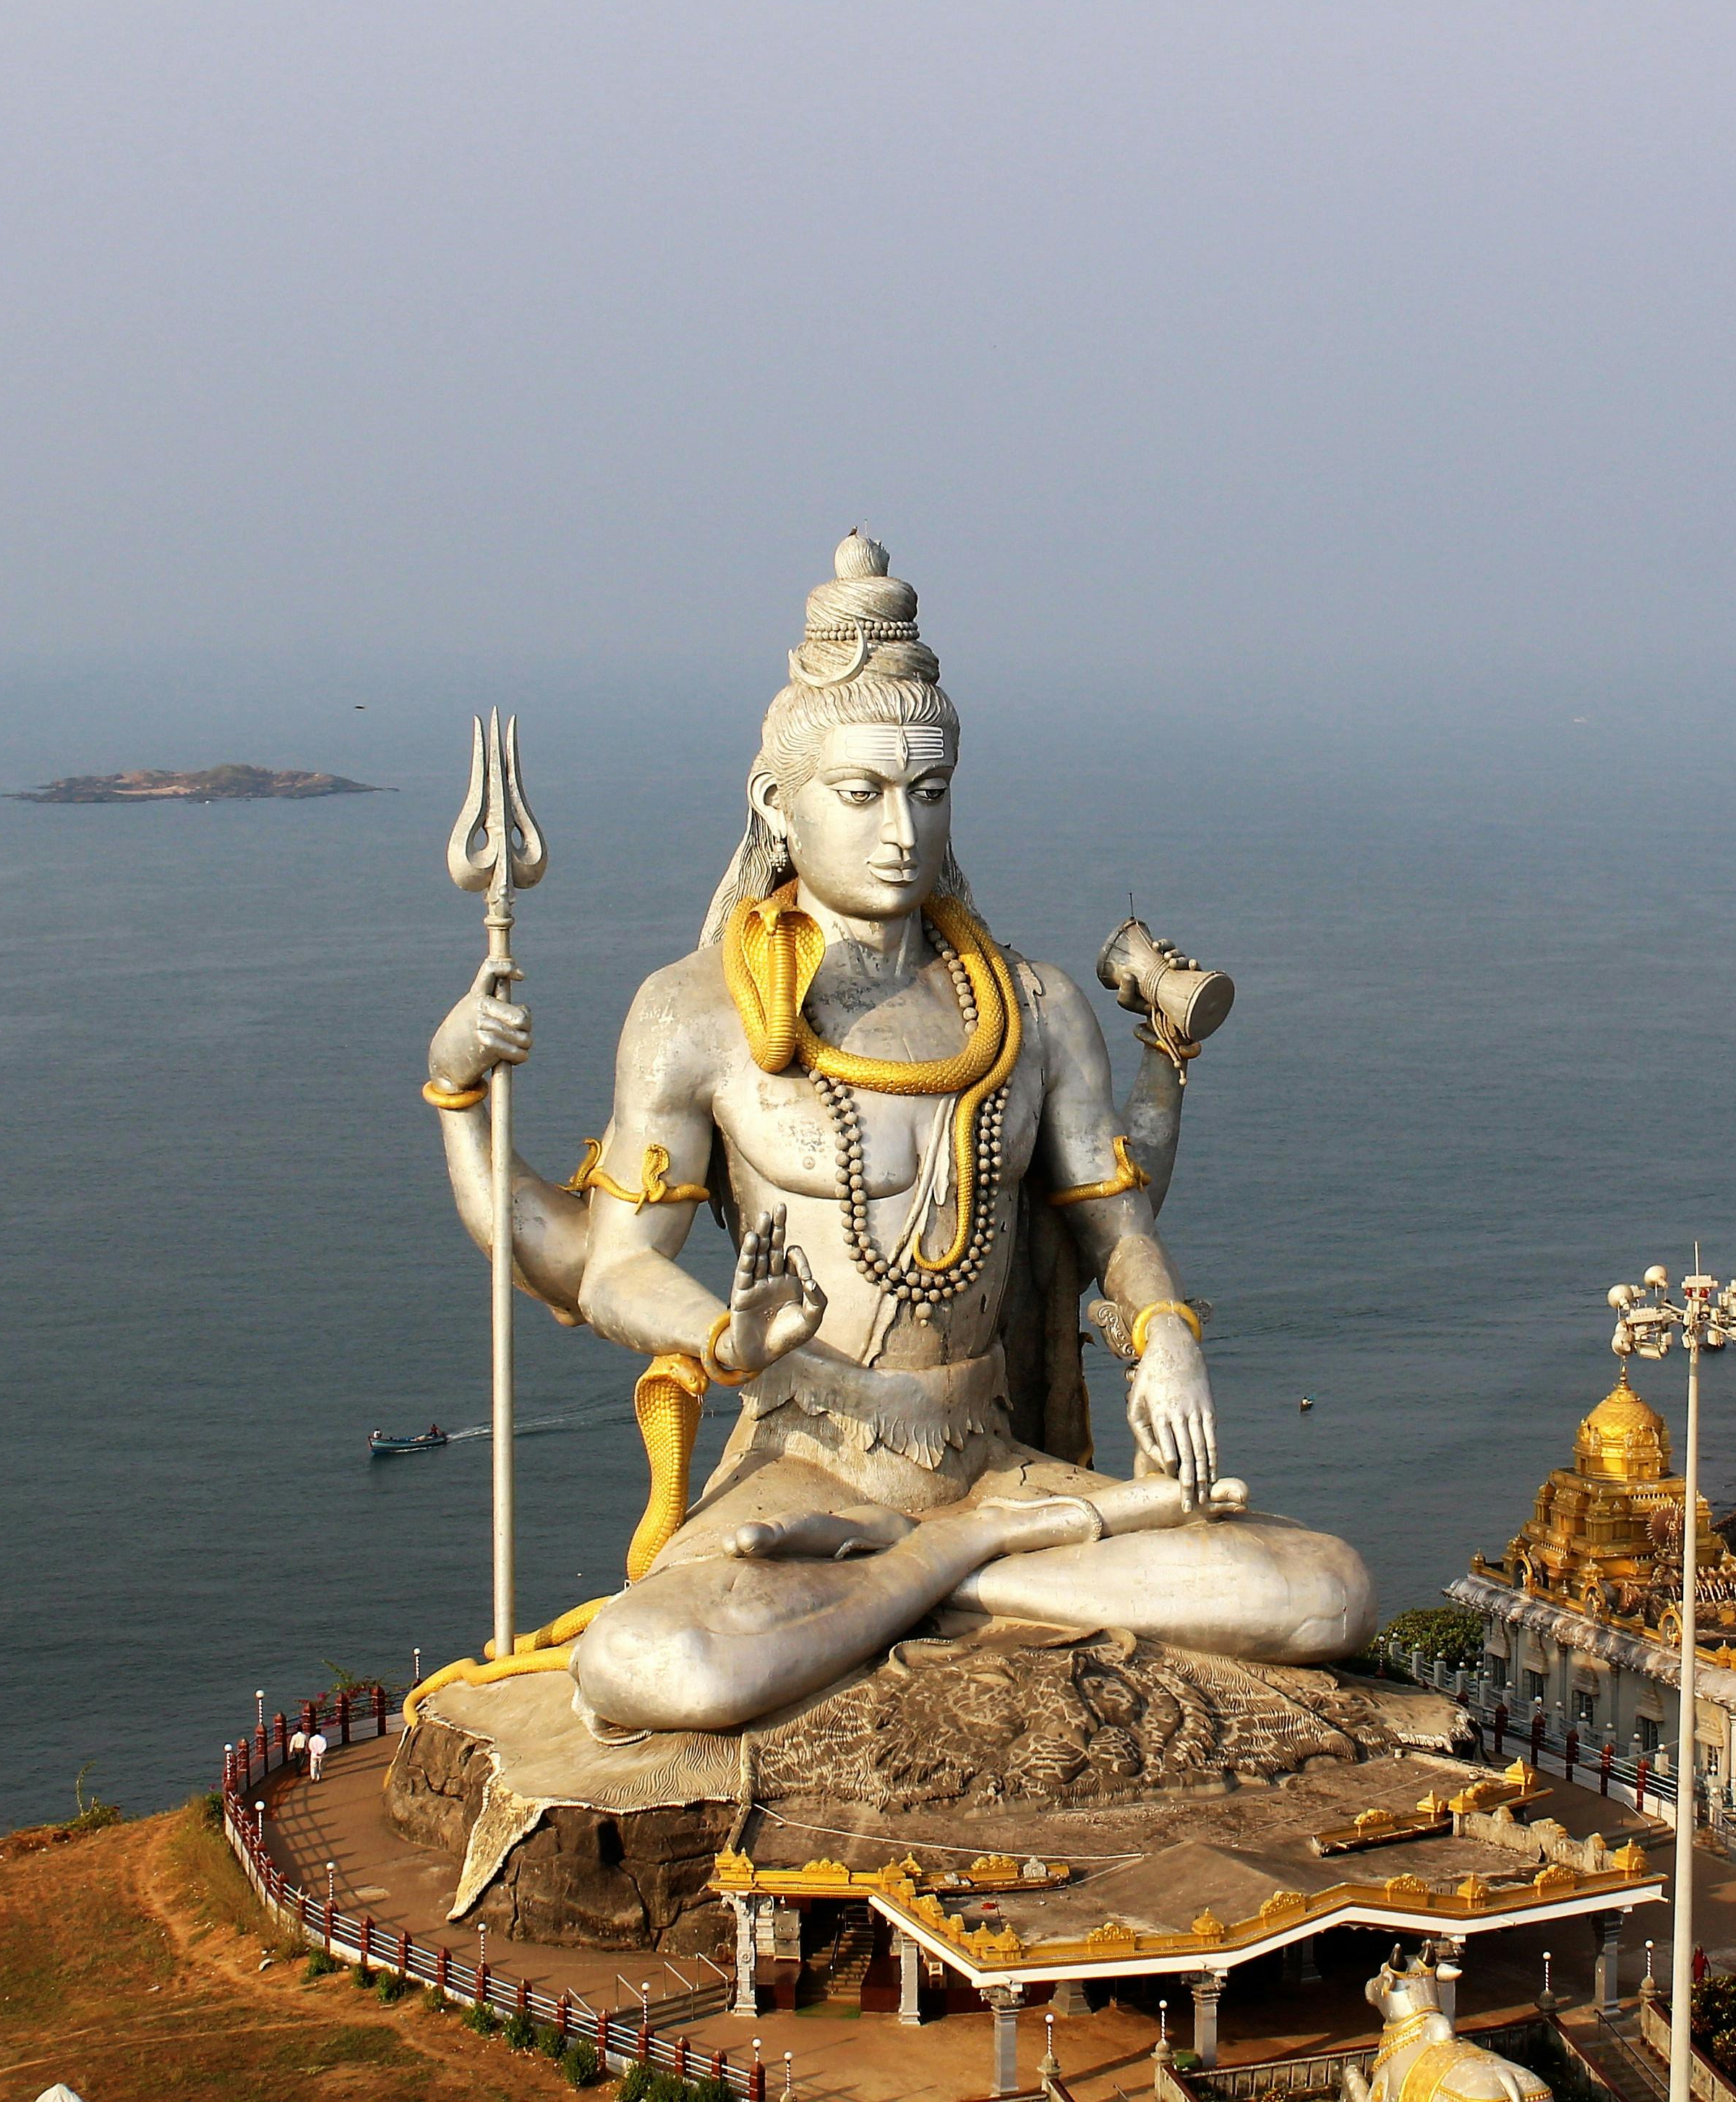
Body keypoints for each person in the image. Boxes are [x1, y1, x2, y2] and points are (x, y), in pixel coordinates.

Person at [422, 535, 1375, 1736]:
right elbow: (611, 1268)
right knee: (651, 1661)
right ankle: (966, 1562)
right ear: (778, 802)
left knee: (1323, 1592)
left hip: (993, 1457)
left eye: (929, 793)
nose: (902, 832)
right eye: (861, 793)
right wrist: (722, 1333)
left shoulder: (1033, 1008)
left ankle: (942, 1571)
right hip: (805, 1467)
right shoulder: (695, 1013)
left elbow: (1115, 1223)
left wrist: (1166, 1332)